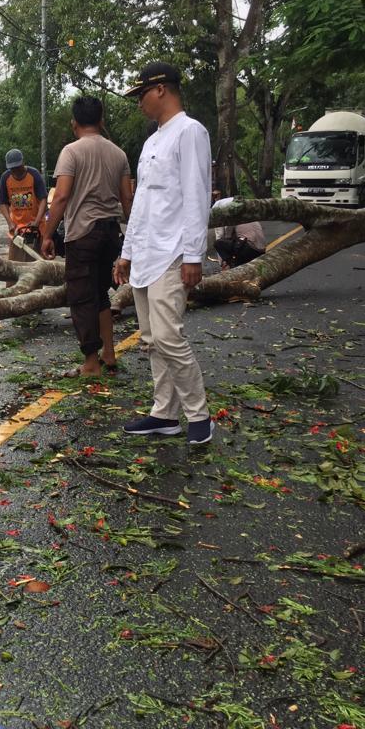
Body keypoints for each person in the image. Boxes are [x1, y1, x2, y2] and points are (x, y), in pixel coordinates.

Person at [113, 61, 214, 445]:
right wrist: (127, 252)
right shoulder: (152, 141)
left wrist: (193, 256)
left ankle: (199, 415)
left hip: (173, 252)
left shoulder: (190, 132)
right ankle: (164, 414)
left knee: (170, 337)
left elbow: (196, 196)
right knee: (152, 339)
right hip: (146, 252)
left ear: (161, 90)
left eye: (141, 94)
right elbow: (141, 202)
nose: (139, 102)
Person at [41, 96, 133, 378]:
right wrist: (132, 238)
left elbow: (61, 196)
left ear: (74, 123)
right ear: (101, 120)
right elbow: (127, 199)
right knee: (100, 293)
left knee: (81, 298)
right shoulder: (119, 154)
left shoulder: (71, 152)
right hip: (110, 232)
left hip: (83, 234)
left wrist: (47, 234)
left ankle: (91, 363)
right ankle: (109, 354)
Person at [0, 149, 48, 263]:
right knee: (15, 263)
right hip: (17, 229)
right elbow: (2, 203)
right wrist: (10, 223)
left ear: (23, 163)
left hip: (37, 227)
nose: (15, 171)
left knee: (38, 263)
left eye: (17, 167)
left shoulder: (34, 174)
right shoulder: (5, 177)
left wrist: (37, 221)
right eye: (12, 169)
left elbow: (43, 200)